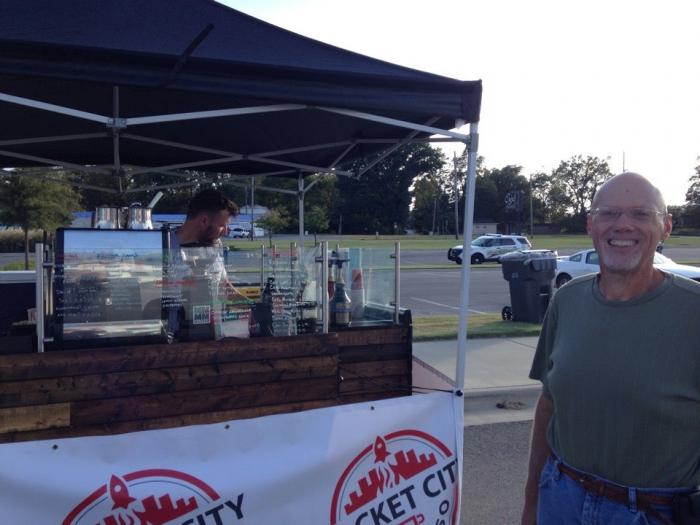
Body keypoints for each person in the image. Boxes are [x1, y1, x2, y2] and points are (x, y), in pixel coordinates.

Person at [522, 172, 700, 525]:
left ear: (665, 227)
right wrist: (531, 504)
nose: (623, 225)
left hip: (655, 511)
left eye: (641, 214)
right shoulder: (567, 301)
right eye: (609, 213)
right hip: (560, 496)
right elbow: (548, 405)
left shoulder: (693, 310)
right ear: (591, 224)